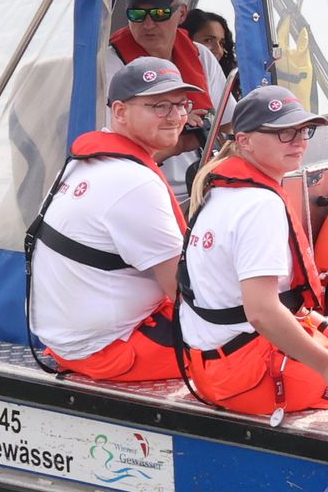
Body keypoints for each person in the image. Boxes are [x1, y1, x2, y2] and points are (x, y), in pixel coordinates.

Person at [177, 87, 328, 414]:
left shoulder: (218, 191)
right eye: (283, 133)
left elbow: (255, 301)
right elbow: (261, 311)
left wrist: (327, 327)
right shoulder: (259, 206)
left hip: (219, 361)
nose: (298, 141)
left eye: (303, 130)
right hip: (247, 371)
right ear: (244, 141)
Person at [24, 57, 213, 385]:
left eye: (181, 105)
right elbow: (184, 291)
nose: (177, 116)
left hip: (66, 342)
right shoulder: (134, 182)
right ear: (121, 112)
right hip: (111, 349)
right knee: (256, 340)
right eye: (159, 106)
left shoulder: (85, 162)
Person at [108, 0, 220, 105]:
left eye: (160, 13)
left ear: (182, 13)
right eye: (137, 14)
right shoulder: (107, 64)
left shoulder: (201, 55)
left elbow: (227, 121)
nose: (148, 24)